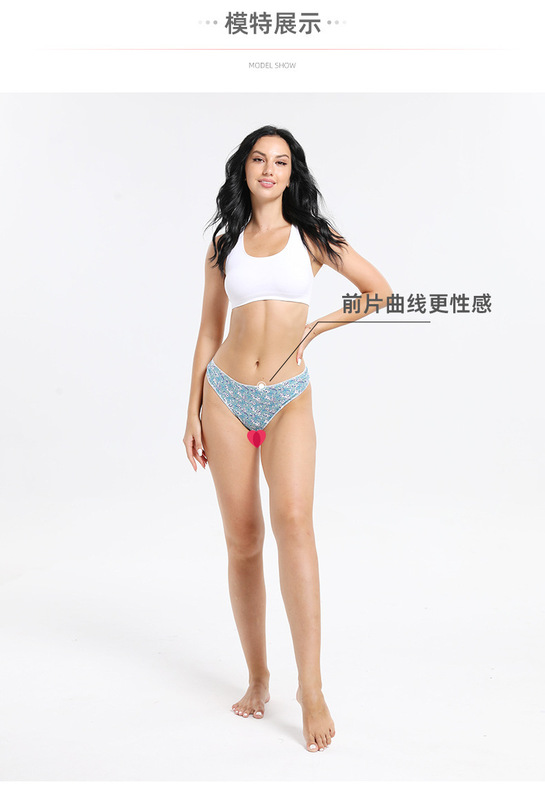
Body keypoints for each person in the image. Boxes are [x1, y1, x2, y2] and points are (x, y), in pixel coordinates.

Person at [183, 125, 392, 753]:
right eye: (259, 159)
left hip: (287, 395)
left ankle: (312, 688)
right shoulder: (225, 244)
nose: (269, 169)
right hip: (225, 394)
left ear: (292, 172)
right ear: (244, 170)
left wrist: (318, 327)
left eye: (280, 161)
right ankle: (257, 677)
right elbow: (208, 330)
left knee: (295, 523)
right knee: (243, 540)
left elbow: (379, 292)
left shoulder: (313, 237)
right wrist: (191, 410)